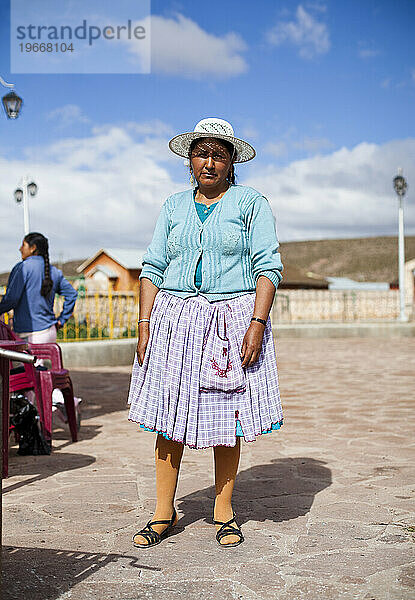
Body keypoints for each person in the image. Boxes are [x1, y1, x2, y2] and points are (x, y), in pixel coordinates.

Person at [128, 118, 283, 548]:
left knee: (225, 415)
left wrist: (257, 323)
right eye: (201, 153)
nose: (208, 162)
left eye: (218, 153)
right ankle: (164, 512)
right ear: (189, 160)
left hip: (231, 319)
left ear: (232, 162)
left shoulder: (250, 203)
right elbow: (152, 267)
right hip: (174, 319)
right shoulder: (173, 206)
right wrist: (144, 324)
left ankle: (223, 510)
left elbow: (268, 266)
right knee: (168, 414)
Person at [0, 232, 78, 343]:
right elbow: (72, 294)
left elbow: (12, 299)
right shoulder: (54, 271)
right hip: (50, 333)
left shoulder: (23, 268)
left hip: (29, 335)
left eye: (23, 245)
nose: (20, 249)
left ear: (33, 248)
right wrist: (62, 320)